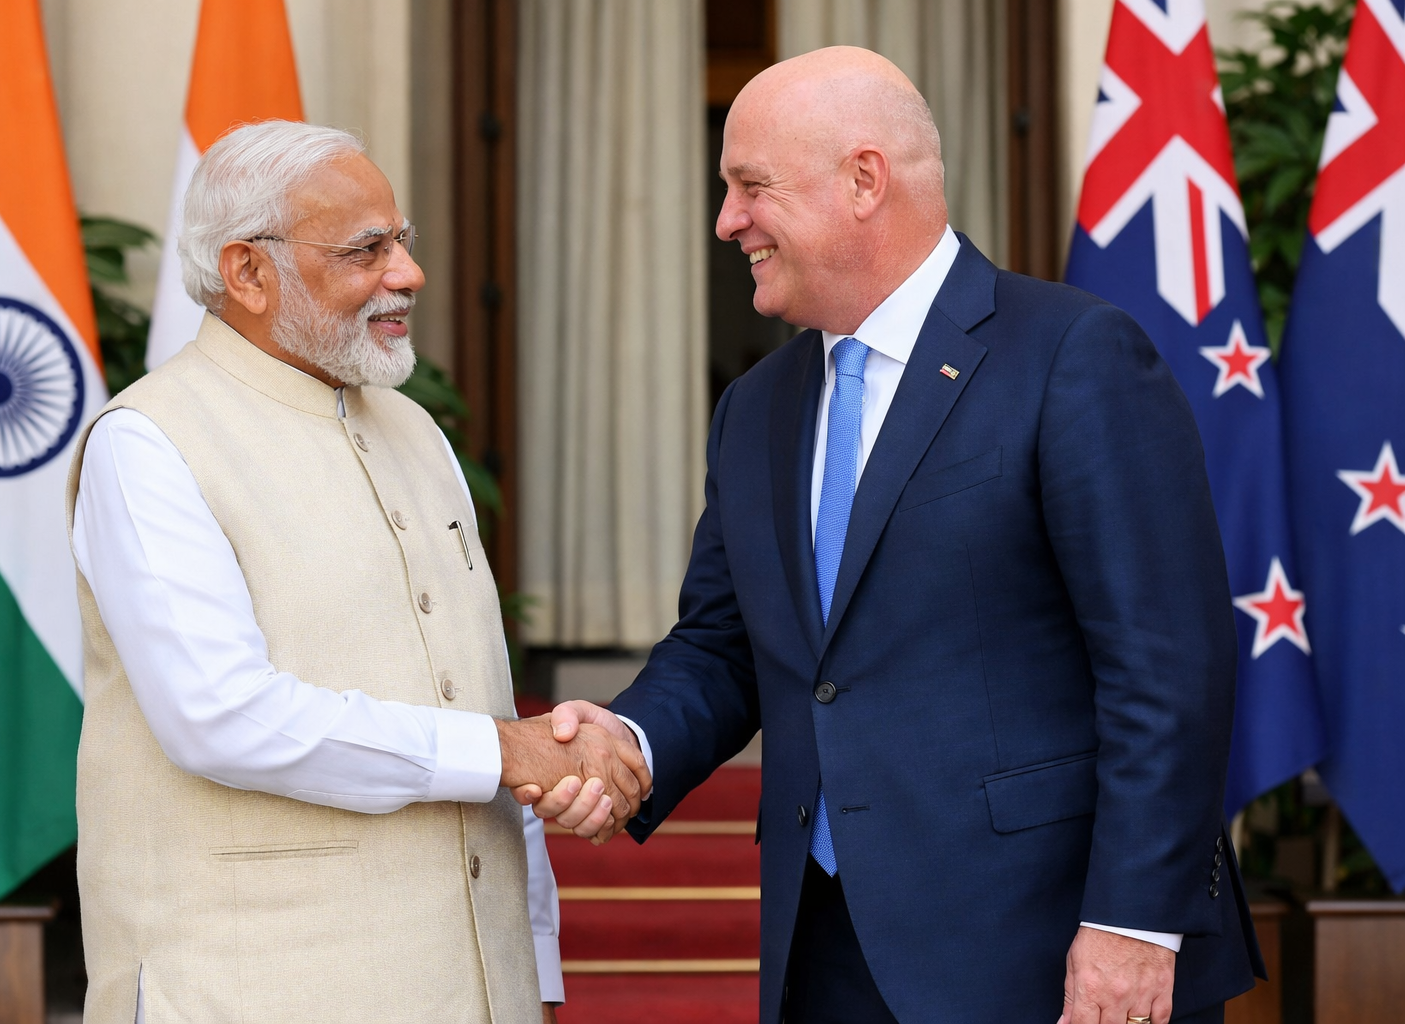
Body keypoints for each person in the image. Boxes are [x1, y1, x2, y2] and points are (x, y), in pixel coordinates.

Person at [533, 47, 1262, 1024]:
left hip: (1047, 951)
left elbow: (1166, 668)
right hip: (825, 947)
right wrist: (628, 742)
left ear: (864, 180)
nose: (727, 222)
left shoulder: (1073, 357)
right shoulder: (756, 407)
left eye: (750, 187)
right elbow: (725, 645)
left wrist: (1134, 923)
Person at [65, 120, 648, 1024]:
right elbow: (220, 717)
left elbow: (477, 689)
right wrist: (504, 749)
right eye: (365, 250)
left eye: (402, 242)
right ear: (247, 273)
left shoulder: (416, 429)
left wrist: (532, 965)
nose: (408, 274)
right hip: (250, 992)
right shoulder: (148, 443)